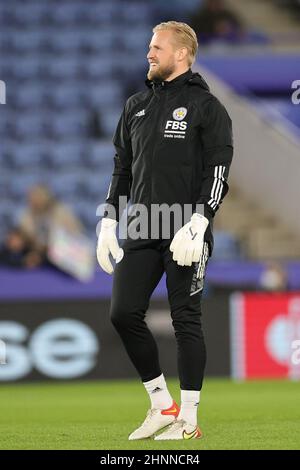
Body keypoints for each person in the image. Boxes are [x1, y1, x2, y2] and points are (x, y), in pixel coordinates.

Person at [97, 21, 233, 440]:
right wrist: (108, 219)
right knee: (122, 313)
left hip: (185, 229)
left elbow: (219, 170)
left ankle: (189, 421)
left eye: (156, 48)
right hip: (141, 225)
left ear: (182, 54)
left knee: (185, 320)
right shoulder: (135, 105)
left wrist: (200, 220)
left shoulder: (207, 107)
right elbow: (121, 168)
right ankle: (161, 405)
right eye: (149, 47)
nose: (149, 54)